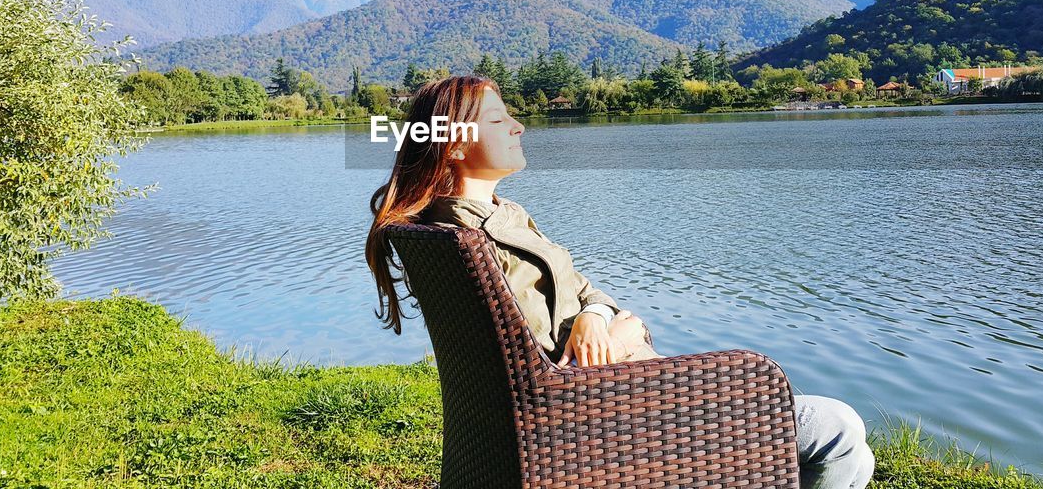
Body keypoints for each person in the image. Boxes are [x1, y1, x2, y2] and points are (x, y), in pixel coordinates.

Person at [366, 74, 875, 489]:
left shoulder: (474, 222)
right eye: (499, 120)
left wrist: (593, 316)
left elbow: (583, 292)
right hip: (602, 420)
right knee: (838, 430)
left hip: (572, 413)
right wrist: (625, 332)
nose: (519, 126)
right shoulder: (477, 237)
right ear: (454, 145)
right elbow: (559, 367)